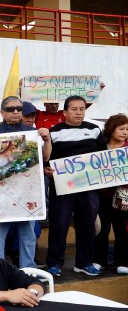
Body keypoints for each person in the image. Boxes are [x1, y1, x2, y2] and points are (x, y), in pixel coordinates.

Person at [45, 96, 107, 277]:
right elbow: (47, 159)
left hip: (89, 188)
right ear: (64, 112)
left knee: (87, 225)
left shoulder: (94, 130)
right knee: (59, 225)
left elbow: (103, 157)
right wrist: (47, 170)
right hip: (62, 188)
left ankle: (84, 262)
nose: (79, 112)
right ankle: (54, 263)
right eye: (74, 109)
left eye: (82, 109)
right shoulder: (54, 132)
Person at [0, 96, 52, 269]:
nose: (15, 112)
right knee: (0, 233)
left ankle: (28, 269)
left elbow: (45, 157)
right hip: (2, 192)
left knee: (28, 233)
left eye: (18, 108)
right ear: (2, 112)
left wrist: (46, 140)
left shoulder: (33, 132)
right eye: (10, 109)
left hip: (27, 191)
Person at [94, 114, 128, 274]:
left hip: (123, 197)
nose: (125, 132)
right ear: (111, 129)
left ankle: (122, 261)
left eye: (127, 129)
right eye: (121, 129)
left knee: (122, 229)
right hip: (102, 196)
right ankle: (99, 260)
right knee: (102, 229)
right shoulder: (101, 147)